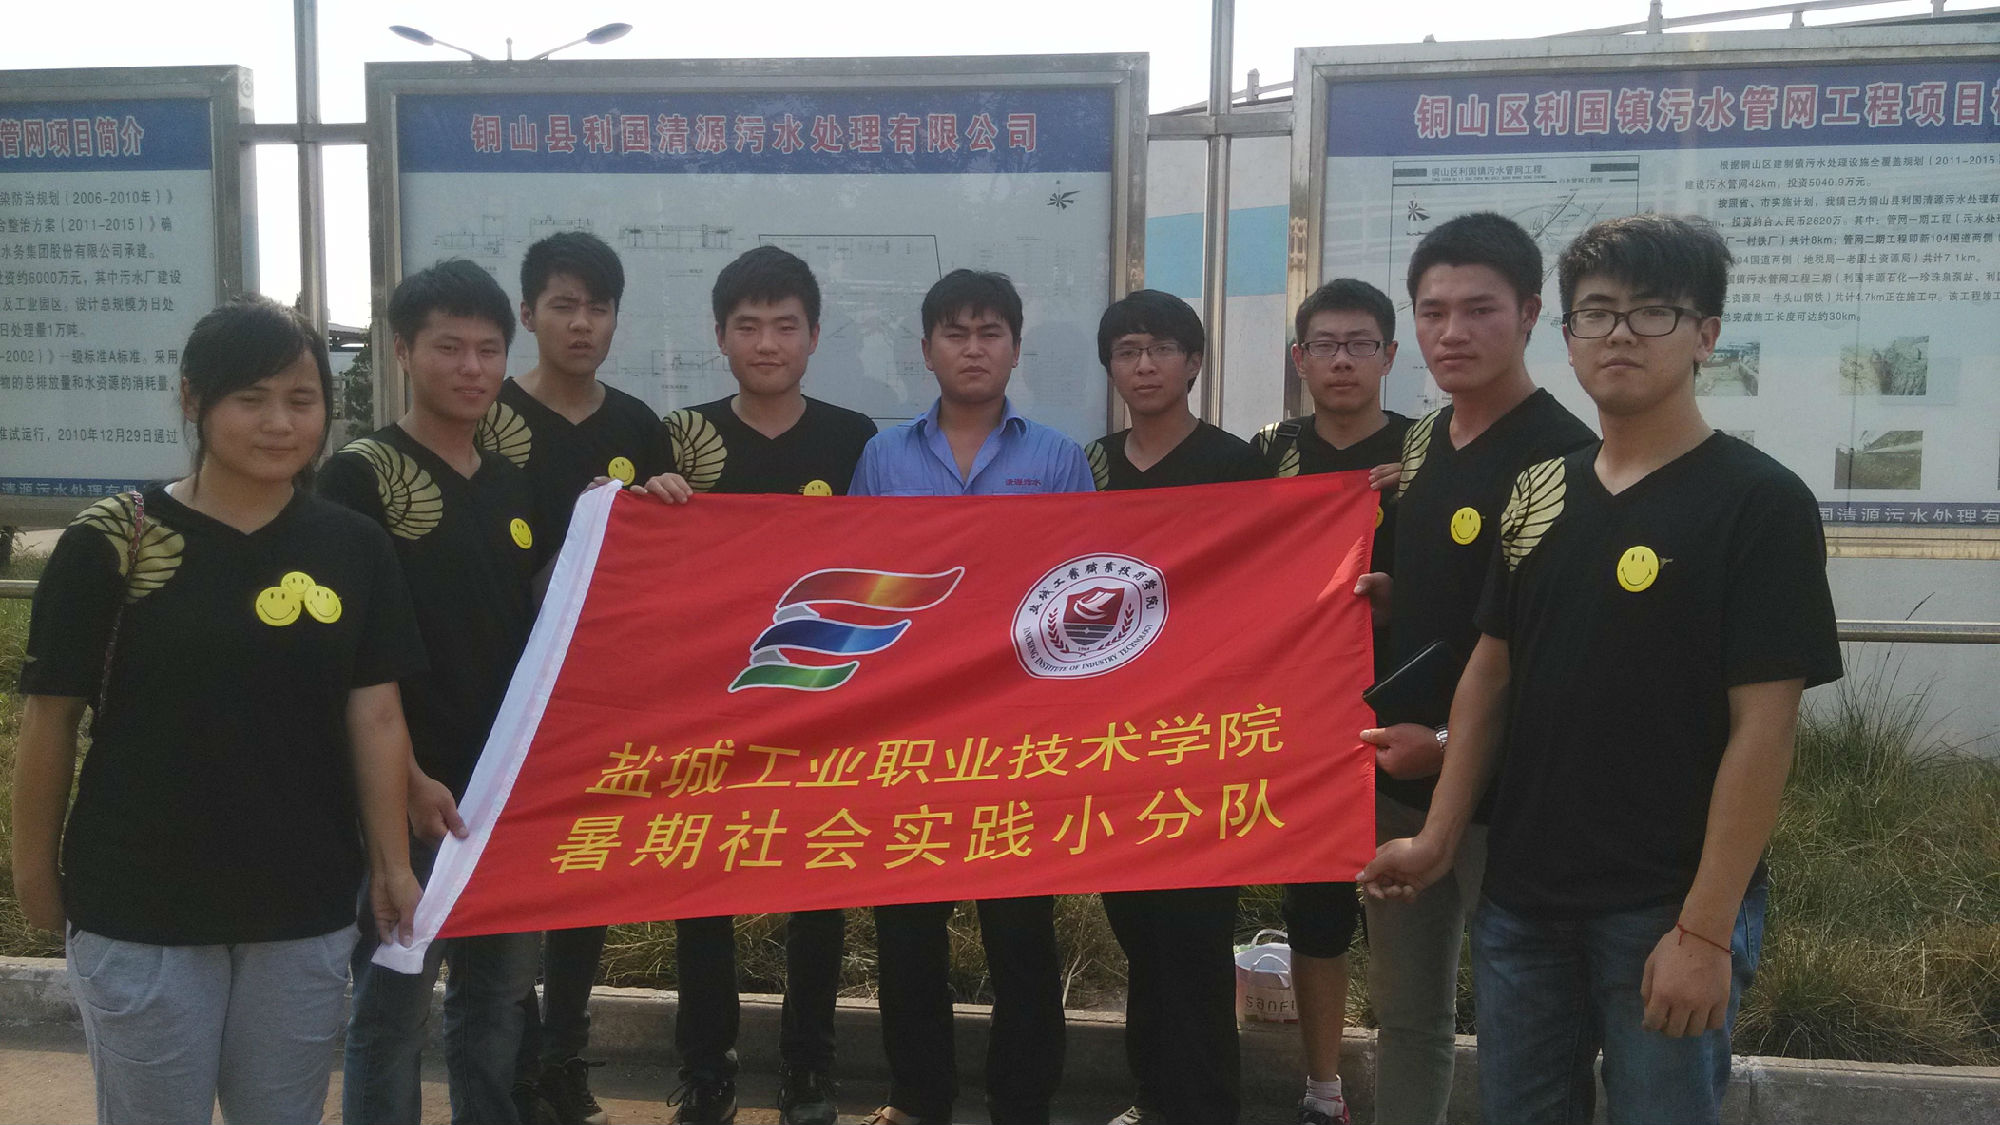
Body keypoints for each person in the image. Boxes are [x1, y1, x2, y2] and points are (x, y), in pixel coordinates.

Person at [1361, 213, 1841, 1125]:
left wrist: (1705, 929)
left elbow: (1765, 729)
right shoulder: (1543, 490)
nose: (1620, 334)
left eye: (1653, 312)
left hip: (1662, 907)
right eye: (1597, 313)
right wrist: (1438, 837)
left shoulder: (1759, 502)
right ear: (1569, 334)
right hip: (1522, 902)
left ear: (1705, 334)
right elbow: (1491, 674)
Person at [11, 296, 424, 1124]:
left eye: (302, 399)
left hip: (303, 903)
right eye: (251, 398)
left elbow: (375, 714)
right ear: (193, 399)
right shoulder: (113, 540)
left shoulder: (353, 546)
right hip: (141, 903)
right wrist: (33, 875)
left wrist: (391, 864)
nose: (280, 422)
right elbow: (50, 718)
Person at [1355, 212, 1596, 1125]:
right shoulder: (1422, 444)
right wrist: (1391, 596)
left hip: (1510, 802)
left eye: (1479, 309)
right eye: (1433, 310)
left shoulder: (1567, 459)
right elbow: (1452, 593)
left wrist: (1449, 742)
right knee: (1406, 1014)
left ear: (1530, 313)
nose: (1451, 332)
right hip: (1399, 783)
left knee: (1522, 1024)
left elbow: (1560, 656)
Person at [637, 245, 876, 1125]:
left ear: (813, 335)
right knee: (702, 890)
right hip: (709, 699)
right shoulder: (678, 439)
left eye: (784, 325)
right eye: (748, 326)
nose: (767, 343)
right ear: (720, 336)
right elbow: (634, 555)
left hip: (824, 694)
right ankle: (706, 1069)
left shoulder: (856, 439)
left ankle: (809, 1068)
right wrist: (647, 500)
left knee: (818, 891)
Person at [849, 269, 1092, 1125]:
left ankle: (1022, 1102)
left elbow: (1084, 592)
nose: (974, 348)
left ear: (1016, 349)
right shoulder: (883, 458)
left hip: (1019, 730)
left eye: (991, 332)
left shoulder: (1057, 458)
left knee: (1020, 932)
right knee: (907, 930)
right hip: (910, 729)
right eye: (955, 333)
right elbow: (857, 583)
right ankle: (919, 1098)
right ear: (926, 351)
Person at [324, 260, 545, 1125]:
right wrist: (406, 776)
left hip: (505, 792)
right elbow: (347, 655)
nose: (472, 368)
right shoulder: (362, 475)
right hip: (411, 791)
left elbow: (534, 610)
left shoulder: (509, 477)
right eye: (449, 347)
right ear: (403, 350)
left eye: (489, 349)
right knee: (391, 1010)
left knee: (496, 1000)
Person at [480, 230, 672, 1125]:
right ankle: (515, 1059)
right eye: (563, 305)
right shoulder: (489, 417)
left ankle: (564, 1053)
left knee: (580, 871)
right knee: (511, 870)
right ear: (528, 314)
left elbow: (662, 559)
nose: (581, 323)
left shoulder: (638, 426)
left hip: (600, 689)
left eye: (598, 307)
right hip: (499, 683)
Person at [1083, 289, 1259, 1125]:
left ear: (1193, 362)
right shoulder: (1087, 468)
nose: (1144, 365)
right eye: (1126, 351)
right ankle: (1154, 1096)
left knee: (1194, 935)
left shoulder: (1237, 464)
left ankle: (1208, 1107)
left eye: (1160, 349)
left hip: (1203, 735)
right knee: (1139, 935)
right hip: (1110, 738)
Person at [1251, 278, 1411, 1125]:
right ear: (1300, 359)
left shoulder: (1431, 451)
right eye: (1325, 345)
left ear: (1390, 355)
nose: (1342, 360)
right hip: (1303, 720)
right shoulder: (1269, 453)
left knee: (1406, 918)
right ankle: (1323, 1090)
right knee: (1315, 912)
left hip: (1406, 717)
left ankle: (1414, 1084)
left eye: (1360, 344)